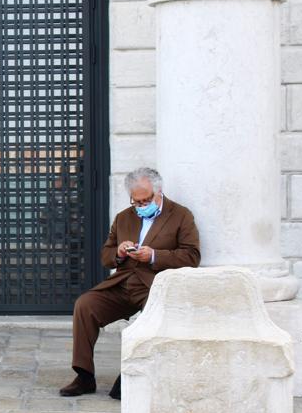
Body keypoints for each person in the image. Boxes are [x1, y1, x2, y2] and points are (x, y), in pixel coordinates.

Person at [59, 167, 200, 399]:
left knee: (150, 318)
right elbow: (105, 256)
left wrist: (153, 255)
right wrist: (120, 252)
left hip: (154, 285)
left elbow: (191, 256)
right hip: (123, 283)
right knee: (85, 305)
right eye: (137, 202)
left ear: (158, 192)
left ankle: (127, 378)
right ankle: (84, 376)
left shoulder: (181, 215)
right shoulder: (124, 217)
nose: (142, 206)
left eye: (147, 200)